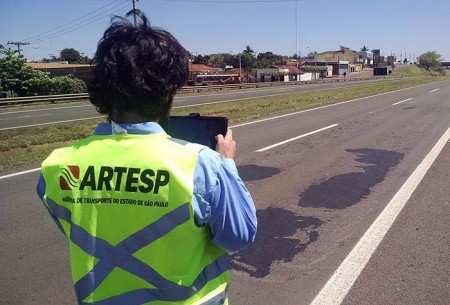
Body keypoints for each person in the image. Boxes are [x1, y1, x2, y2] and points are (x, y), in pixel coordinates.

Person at [36, 9, 257, 305]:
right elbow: (238, 237)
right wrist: (227, 165)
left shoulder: (57, 166)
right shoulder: (201, 164)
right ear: (168, 91)